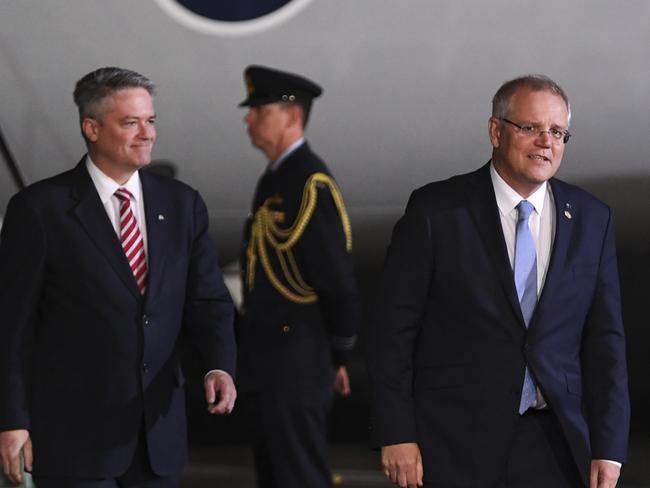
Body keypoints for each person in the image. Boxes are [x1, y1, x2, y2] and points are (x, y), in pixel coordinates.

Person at [366, 75, 630, 488]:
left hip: (556, 445)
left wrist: (609, 447)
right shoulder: (437, 211)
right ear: (495, 131)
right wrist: (396, 432)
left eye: (557, 132)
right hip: (453, 444)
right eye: (531, 128)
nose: (546, 141)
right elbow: (392, 333)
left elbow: (606, 345)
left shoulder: (592, 219)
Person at [0, 67, 237, 487]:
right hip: (74, 445)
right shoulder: (40, 210)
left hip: (157, 441)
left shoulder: (182, 205)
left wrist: (218, 366)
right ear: (91, 128)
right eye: (131, 122)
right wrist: (12, 421)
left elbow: (208, 301)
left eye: (151, 120)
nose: (147, 133)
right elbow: (13, 327)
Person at [237, 65, 360, 487]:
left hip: (297, 360)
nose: (248, 119)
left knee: (298, 477)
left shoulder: (309, 182)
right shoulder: (277, 179)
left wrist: (338, 352)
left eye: (259, 110)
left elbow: (336, 281)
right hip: (273, 361)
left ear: (291, 116)